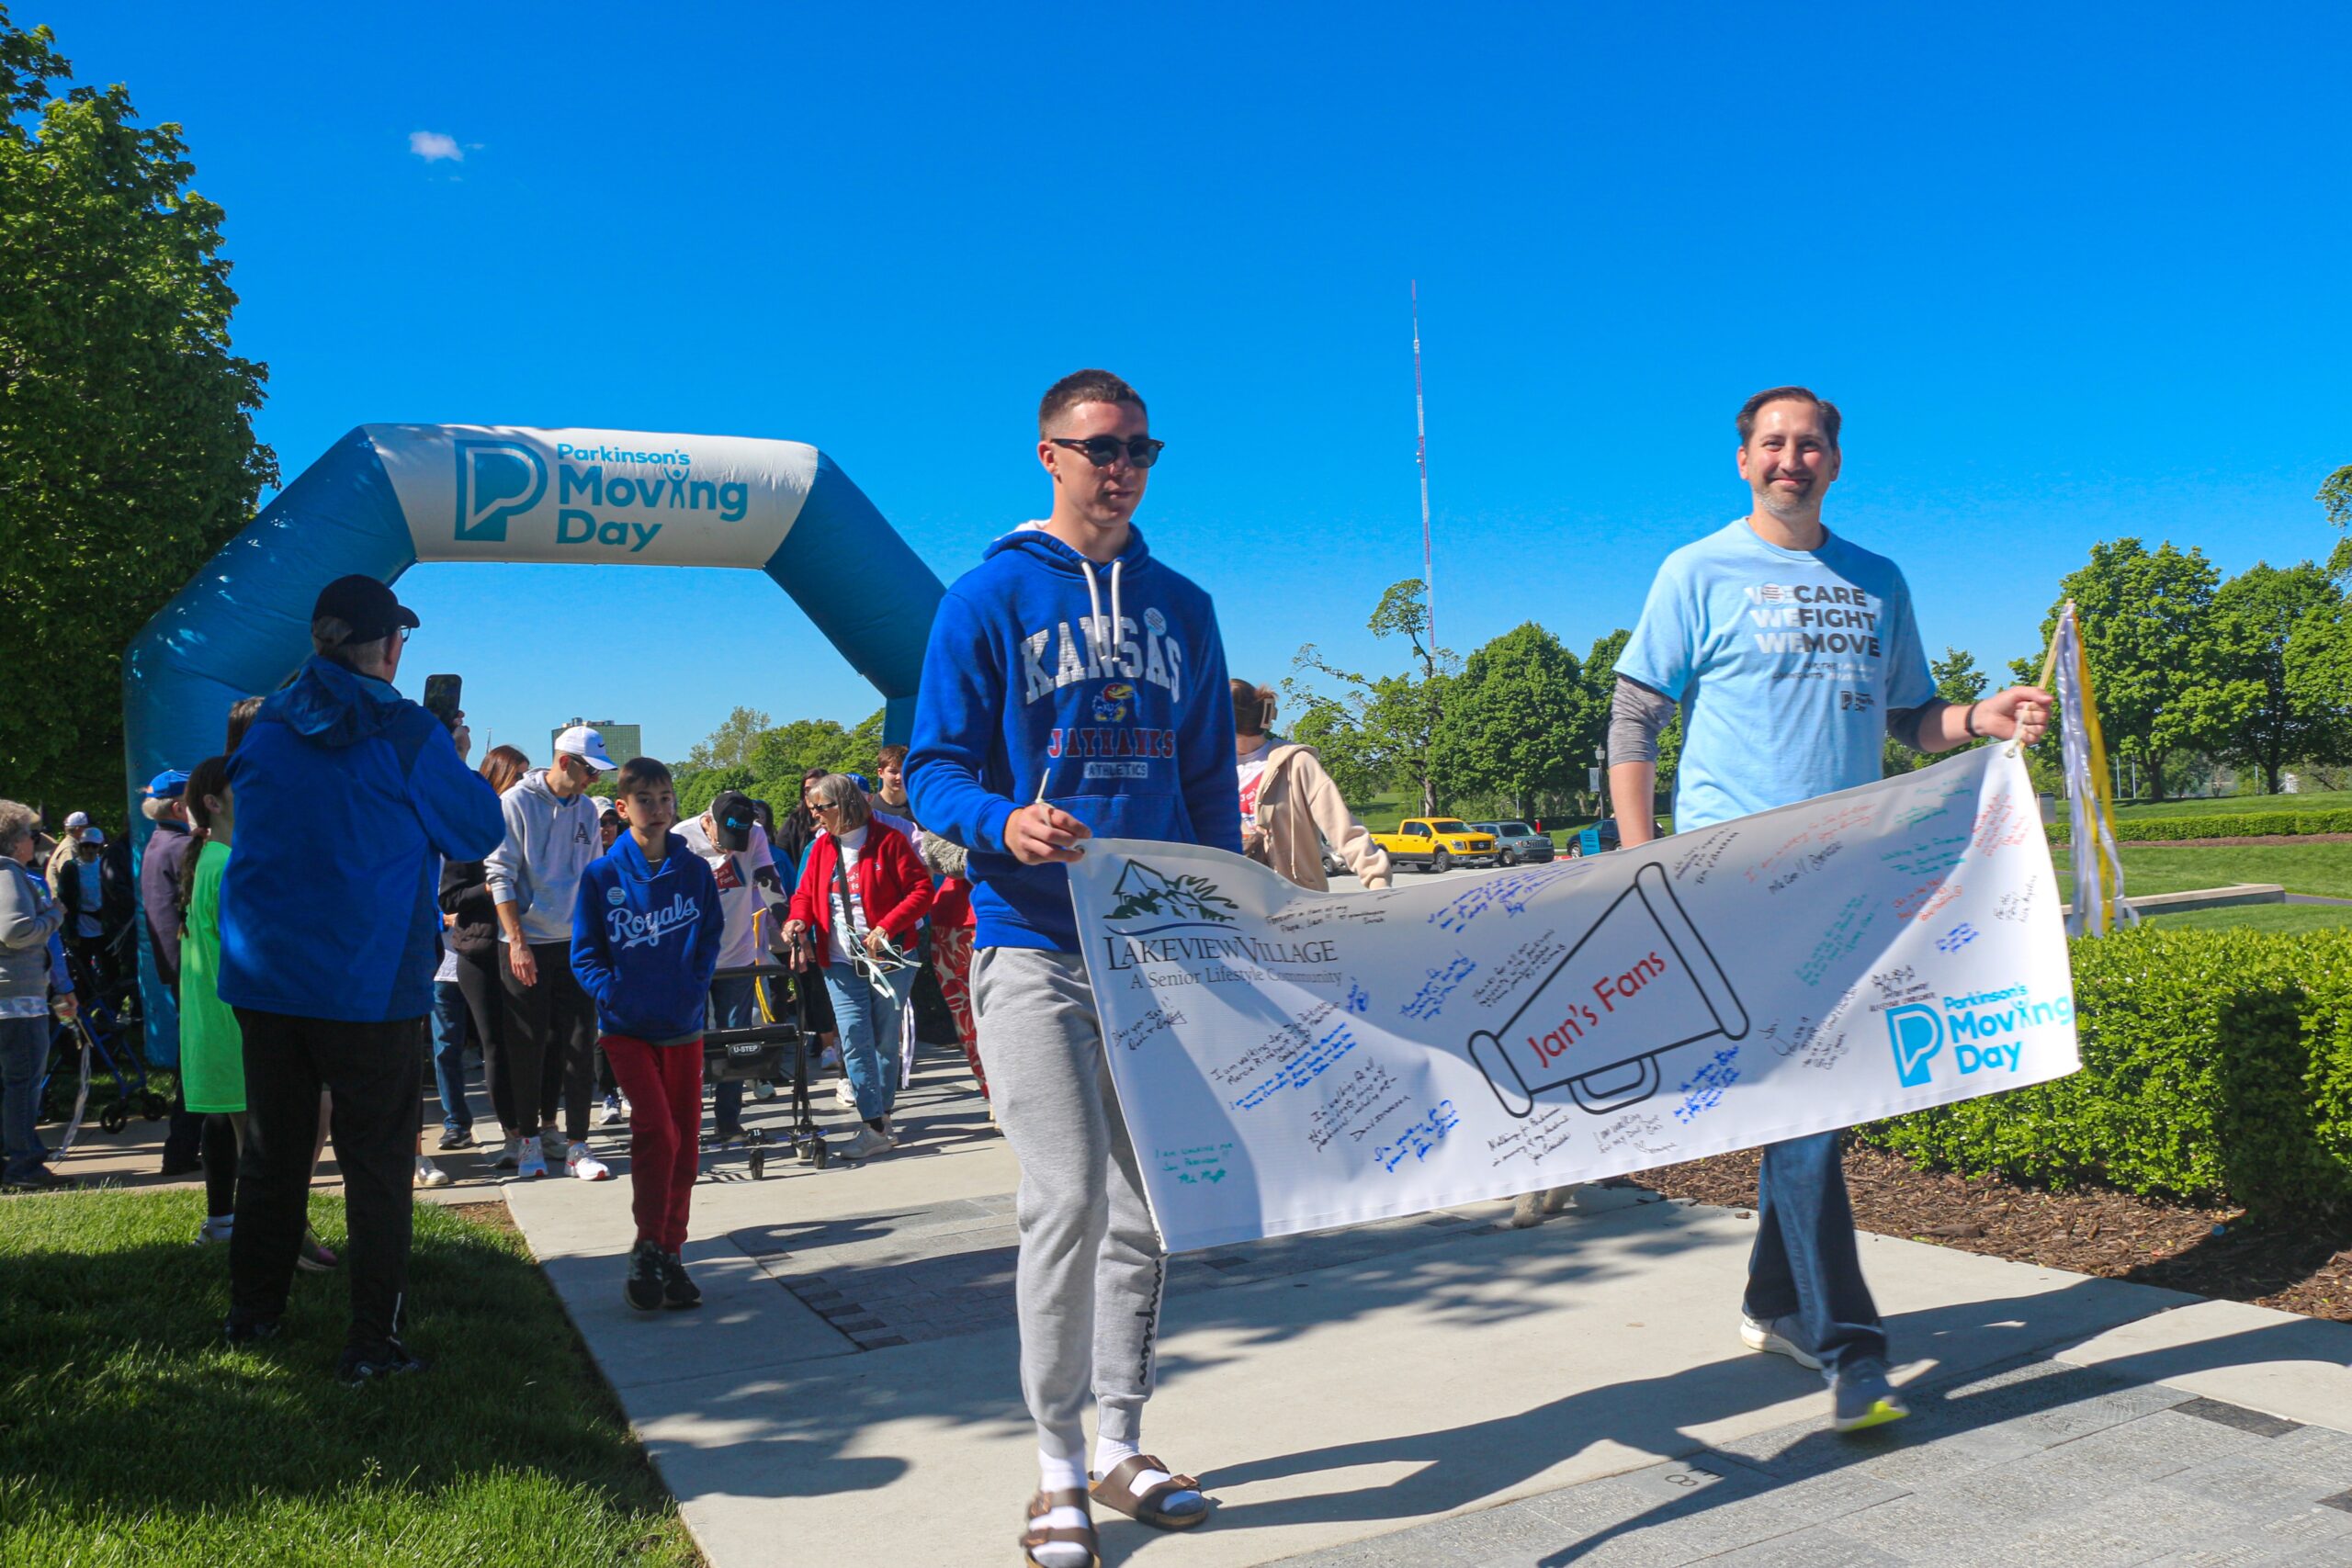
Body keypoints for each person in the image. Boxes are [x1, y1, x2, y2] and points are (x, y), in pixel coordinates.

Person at [1607, 386, 2051, 1433]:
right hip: (1732, 878)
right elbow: (1634, 718)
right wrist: (1637, 862)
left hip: (1852, 877)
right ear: (1743, 460)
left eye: (1809, 445)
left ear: (1835, 462)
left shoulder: (1877, 578)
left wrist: (1980, 716)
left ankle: (1776, 1303)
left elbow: (1910, 717)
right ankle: (1852, 1351)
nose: (1790, 460)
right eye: (1772, 444)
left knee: (1813, 1106)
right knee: (1804, 1098)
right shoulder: (1696, 570)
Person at [908, 369, 1234, 1563]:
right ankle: (1054, 1469)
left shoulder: (1183, 606)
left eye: (1142, 449)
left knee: (1148, 1208)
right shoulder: (985, 597)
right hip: (1034, 942)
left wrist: (1220, 920)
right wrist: (1002, 821)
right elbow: (931, 770)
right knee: (1067, 1199)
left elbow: (1208, 786)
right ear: (1050, 454)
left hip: (1150, 953)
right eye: (1102, 448)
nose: (1124, 468)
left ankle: (1120, 1441)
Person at [219, 574, 505, 1383]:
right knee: (376, 1165)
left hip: (268, 975)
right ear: (389, 647)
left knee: (272, 1153)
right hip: (367, 980)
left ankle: (253, 1316)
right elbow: (477, 829)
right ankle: (371, 1345)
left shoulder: (265, 724)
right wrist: (450, 755)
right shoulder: (407, 729)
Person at [571, 756, 723, 1312]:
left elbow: (709, 937)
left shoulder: (695, 872)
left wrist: (694, 988)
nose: (657, 810)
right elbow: (585, 955)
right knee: (656, 1130)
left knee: (685, 1144)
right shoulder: (601, 876)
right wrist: (615, 995)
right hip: (627, 1030)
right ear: (622, 807)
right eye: (645, 800)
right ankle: (646, 1245)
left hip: (682, 1027)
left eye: (665, 799)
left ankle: (670, 1253)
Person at [484, 726, 616, 1181]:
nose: (593, 781)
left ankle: (578, 1144)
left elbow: (594, 873)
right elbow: (499, 874)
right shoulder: (515, 802)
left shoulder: (586, 809)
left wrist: (599, 937)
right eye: (589, 771)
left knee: (580, 1044)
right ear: (564, 762)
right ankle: (527, 1141)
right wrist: (517, 941)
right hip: (524, 944)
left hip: (575, 943)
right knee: (527, 1047)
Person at [784, 774, 931, 1160]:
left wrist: (887, 926)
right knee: (853, 1036)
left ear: (843, 805)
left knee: (884, 1039)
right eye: (812, 808)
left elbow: (921, 891)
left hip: (890, 958)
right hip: (839, 960)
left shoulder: (890, 841)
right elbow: (803, 894)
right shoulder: (820, 847)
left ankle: (882, 1117)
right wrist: (797, 920)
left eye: (820, 808)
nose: (814, 815)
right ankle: (873, 1124)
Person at [686, 789, 790, 1149]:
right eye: (724, 840)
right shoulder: (681, 839)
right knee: (691, 1044)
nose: (730, 850)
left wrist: (786, 920)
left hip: (739, 954)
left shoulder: (755, 834)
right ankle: (687, 1121)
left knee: (736, 1042)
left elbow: (767, 877)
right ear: (708, 821)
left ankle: (729, 1121)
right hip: (693, 962)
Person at [175, 756, 252, 1242]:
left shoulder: (209, 859)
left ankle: (234, 1229)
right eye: (242, 787)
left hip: (214, 1026)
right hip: (235, 1026)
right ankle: (276, 1242)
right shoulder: (226, 864)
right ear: (213, 803)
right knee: (259, 1150)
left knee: (244, 1139)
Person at [443, 746, 526, 1164]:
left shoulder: (530, 823)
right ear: (498, 779)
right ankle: (513, 1133)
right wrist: (490, 887)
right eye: (518, 777)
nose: (525, 786)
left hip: (526, 944)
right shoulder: (471, 828)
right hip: (480, 948)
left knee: (530, 1040)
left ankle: (537, 1127)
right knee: (495, 1043)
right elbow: (449, 897)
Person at [1229, 681, 1391, 893]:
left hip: (1295, 897)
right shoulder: (1212, 772)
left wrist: (1378, 880)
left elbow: (1341, 826)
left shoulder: (1296, 763)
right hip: (1228, 900)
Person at [1, 798, 76, 1192]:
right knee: (22, 1083)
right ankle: (24, 1165)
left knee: (11, 1083)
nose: (36, 841)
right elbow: (15, 931)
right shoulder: (9, 875)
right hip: (17, 1002)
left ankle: (13, 1159)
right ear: (15, 842)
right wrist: (54, 915)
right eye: (31, 834)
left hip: (10, 1001)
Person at [140, 768, 206, 1176]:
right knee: (201, 1060)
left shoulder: (158, 844)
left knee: (194, 1059)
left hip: (180, 968)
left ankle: (184, 1147)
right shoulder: (183, 848)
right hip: (196, 969)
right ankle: (182, 1148)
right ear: (181, 807)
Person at [43, 809, 91, 890]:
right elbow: (69, 878)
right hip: (61, 897)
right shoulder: (69, 849)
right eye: (86, 827)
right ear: (79, 829)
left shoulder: (72, 845)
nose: (88, 830)